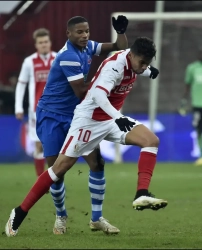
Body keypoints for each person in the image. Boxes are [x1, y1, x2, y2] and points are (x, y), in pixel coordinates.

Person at [5, 36, 167, 237]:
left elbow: (137, 66)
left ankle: (141, 194)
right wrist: (118, 117)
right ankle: (20, 212)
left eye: (147, 64)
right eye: (142, 63)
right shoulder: (114, 67)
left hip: (109, 119)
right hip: (89, 120)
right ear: (131, 55)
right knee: (59, 169)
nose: (143, 67)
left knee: (151, 141)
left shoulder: (134, 63)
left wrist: (149, 71)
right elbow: (98, 95)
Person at [11, 15, 128, 236]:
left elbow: (118, 48)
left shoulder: (87, 47)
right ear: (68, 34)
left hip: (76, 115)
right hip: (52, 116)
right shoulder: (68, 57)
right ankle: (61, 215)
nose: (84, 36)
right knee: (57, 171)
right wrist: (107, 81)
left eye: (87, 31)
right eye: (79, 32)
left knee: (97, 162)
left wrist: (120, 33)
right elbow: (82, 91)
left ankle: (96, 218)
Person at [15, 28, 56, 177]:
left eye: (46, 42)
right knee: (39, 145)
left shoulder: (58, 59)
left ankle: (54, 179)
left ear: (50, 42)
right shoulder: (29, 62)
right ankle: (41, 180)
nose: (44, 45)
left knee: (55, 146)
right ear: (36, 45)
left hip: (57, 110)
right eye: (41, 43)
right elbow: (21, 84)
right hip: (36, 110)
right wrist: (18, 107)